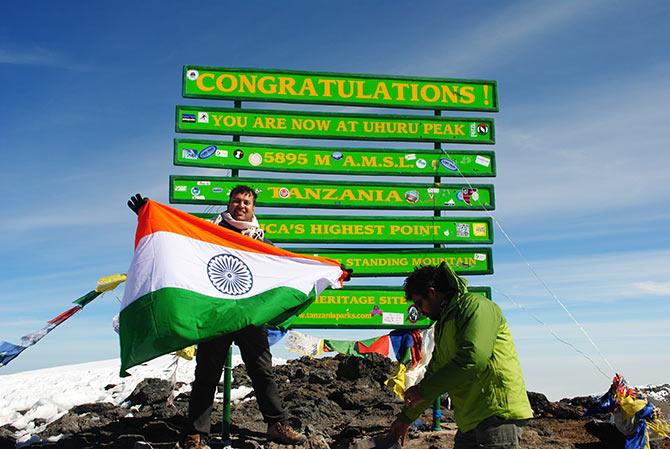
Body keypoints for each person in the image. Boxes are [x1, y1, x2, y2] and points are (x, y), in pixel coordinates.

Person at [128, 187, 314, 449]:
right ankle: (196, 434)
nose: (241, 205)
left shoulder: (261, 241)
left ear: (253, 207)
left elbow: (287, 266)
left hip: (250, 317)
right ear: (229, 203)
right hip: (216, 315)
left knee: (262, 373)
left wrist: (330, 272)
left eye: (247, 202)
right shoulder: (208, 233)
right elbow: (177, 238)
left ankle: (277, 425)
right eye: (237, 201)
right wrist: (148, 213)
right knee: (206, 374)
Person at [385, 262, 533, 449]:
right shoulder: (443, 324)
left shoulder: (475, 307)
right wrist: (406, 418)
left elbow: (473, 359)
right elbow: (434, 375)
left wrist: (422, 391)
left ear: (432, 292)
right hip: (470, 417)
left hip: (496, 412)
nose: (421, 311)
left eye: (419, 304)